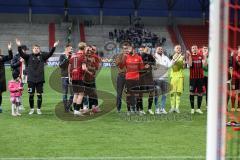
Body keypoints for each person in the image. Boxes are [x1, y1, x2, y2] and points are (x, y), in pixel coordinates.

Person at [16, 38, 59, 115]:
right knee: (31, 95)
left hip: (40, 79)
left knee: (39, 95)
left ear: (39, 50)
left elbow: (50, 54)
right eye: (35, 48)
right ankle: (32, 109)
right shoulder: (28, 56)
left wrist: (54, 46)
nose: (36, 49)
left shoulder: (42, 56)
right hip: (31, 80)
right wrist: (19, 45)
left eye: (37, 48)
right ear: (32, 50)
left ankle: (39, 109)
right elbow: (21, 53)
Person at [120, 45, 144, 115]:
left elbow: (141, 68)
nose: (127, 50)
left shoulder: (139, 57)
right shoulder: (126, 57)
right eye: (127, 49)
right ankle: (129, 110)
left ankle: (136, 109)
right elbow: (121, 66)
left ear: (133, 50)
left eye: (129, 49)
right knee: (129, 94)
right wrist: (122, 59)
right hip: (128, 79)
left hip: (136, 78)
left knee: (136, 95)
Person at [152, 46, 173, 114]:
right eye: (159, 49)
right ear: (156, 50)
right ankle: (157, 108)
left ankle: (162, 108)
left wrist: (173, 60)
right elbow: (153, 67)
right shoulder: (153, 57)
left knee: (164, 94)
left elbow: (169, 65)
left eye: (161, 49)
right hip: (156, 78)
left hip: (165, 78)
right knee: (157, 94)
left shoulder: (165, 57)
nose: (160, 50)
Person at [68, 42, 87, 116]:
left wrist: (69, 77)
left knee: (75, 93)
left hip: (73, 77)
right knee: (81, 94)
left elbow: (69, 67)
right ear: (84, 48)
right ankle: (76, 110)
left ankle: (75, 110)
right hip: (79, 77)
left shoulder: (73, 56)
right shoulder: (83, 56)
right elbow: (84, 68)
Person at [137, 46, 155, 115]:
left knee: (151, 93)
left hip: (149, 77)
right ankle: (141, 109)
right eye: (140, 50)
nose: (141, 51)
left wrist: (149, 64)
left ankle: (149, 109)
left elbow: (154, 62)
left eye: (142, 50)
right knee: (140, 93)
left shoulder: (149, 56)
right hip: (141, 77)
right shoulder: (138, 56)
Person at [83, 46, 101, 113]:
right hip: (84, 78)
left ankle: (93, 107)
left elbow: (96, 67)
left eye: (93, 50)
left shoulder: (95, 57)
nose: (91, 51)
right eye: (90, 50)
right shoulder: (84, 57)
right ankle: (85, 107)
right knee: (84, 93)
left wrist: (92, 65)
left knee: (93, 93)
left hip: (91, 78)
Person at [11, 44, 28, 111]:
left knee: (20, 91)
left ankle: (17, 104)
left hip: (23, 75)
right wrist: (19, 62)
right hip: (17, 75)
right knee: (17, 91)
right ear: (22, 50)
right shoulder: (16, 56)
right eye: (25, 50)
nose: (26, 51)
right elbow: (12, 66)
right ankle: (19, 105)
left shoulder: (25, 57)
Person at [188, 45, 204, 114]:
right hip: (193, 78)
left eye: (195, 48)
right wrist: (190, 56)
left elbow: (204, 65)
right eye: (193, 48)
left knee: (200, 93)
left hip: (200, 77)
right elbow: (190, 65)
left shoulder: (201, 56)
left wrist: (205, 56)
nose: (194, 49)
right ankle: (192, 108)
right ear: (191, 50)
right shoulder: (189, 56)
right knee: (192, 92)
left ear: (197, 49)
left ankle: (198, 108)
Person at [169, 45, 184, 113]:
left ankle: (177, 107)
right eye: (177, 48)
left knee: (178, 93)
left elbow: (182, 66)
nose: (179, 49)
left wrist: (177, 62)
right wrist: (174, 60)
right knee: (172, 93)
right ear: (174, 49)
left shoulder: (182, 57)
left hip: (180, 76)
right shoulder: (172, 56)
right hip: (173, 77)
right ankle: (172, 107)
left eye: (180, 48)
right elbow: (170, 65)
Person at [59, 44, 74, 112]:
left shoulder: (73, 56)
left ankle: (69, 106)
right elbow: (61, 66)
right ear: (66, 49)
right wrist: (67, 58)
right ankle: (66, 108)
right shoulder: (62, 56)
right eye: (70, 49)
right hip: (64, 76)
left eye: (71, 49)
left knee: (73, 93)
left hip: (72, 77)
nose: (71, 50)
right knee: (65, 93)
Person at [0, 42, 13, 113]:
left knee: (0, 93)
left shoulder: (2, 57)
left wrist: (9, 49)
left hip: (1, 79)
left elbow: (10, 57)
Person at [115, 44, 127, 112]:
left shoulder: (130, 56)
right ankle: (118, 108)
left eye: (127, 48)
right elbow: (118, 65)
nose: (126, 50)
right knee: (119, 93)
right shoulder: (119, 56)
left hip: (129, 76)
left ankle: (131, 108)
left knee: (130, 92)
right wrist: (123, 57)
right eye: (124, 48)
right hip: (121, 75)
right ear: (122, 49)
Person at [231, 46, 240, 112]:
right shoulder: (234, 57)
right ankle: (233, 106)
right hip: (235, 77)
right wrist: (232, 57)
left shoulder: (236, 58)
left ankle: (239, 107)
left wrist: (237, 60)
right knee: (234, 91)